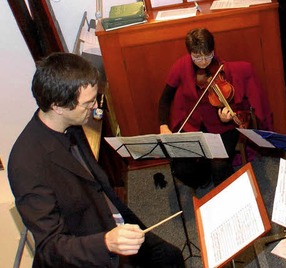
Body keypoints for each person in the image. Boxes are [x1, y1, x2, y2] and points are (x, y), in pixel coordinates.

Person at [8, 52, 184, 268]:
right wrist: (106, 243)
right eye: (88, 102)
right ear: (58, 106)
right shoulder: (26, 165)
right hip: (90, 248)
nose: (95, 108)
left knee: (170, 257)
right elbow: (51, 247)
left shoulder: (71, 121)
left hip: (111, 217)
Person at [158, 27, 272, 189]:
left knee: (219, 166)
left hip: (222, 127)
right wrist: (163, 124)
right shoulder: (180, 66)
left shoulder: (222, 69)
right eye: (197, 57)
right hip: (193, 124)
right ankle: (203, 178)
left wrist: (224, 119)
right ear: (190, 53)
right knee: (181, 168)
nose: (204, 61)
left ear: (213, 50)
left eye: (208, 55)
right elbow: (165, 99)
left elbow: (233, 105)